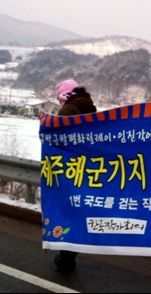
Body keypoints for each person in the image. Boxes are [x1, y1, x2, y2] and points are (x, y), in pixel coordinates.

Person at [52, 79, 97, 272]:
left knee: (66, 210)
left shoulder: (68, 110)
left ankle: (66, 256)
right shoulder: (90, 106)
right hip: (88, 166)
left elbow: (59, 138)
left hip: (70, 167)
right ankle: (69, 253)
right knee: (77, 210)